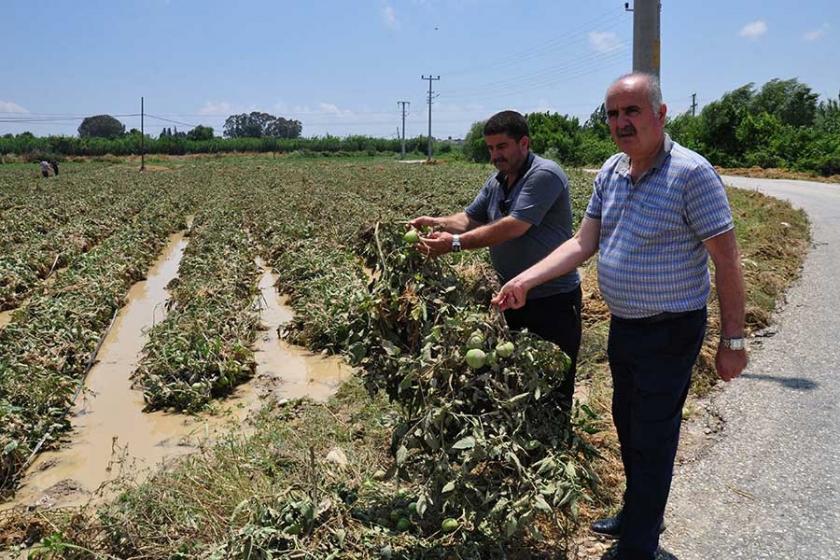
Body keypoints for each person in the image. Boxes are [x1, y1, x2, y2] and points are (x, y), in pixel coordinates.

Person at [492, 73, 748, 560]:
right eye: (612, 114)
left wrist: (732, 340)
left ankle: (638, 547)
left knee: (652, 436)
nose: (621, 123)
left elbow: (727, 259)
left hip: (671, 329)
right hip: (625, 325)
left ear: (660, 113)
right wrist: (526, 279)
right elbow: (582, 243)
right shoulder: (611, 170)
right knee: (628, 426)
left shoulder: (692, 174)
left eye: (632, 111)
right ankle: (636, 514)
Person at [409, 110, 582, 419]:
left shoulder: (544, 174)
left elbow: (515, 225)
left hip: (551, 298)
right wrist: (437, 222)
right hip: (509, 296)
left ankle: (556, 443)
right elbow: (469, 218)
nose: (495, 155)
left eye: (501, 147)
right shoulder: (497, 181)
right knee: (515, 378)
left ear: (524, 143)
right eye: (490, 148)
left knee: (554, 381)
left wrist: (456, 244)